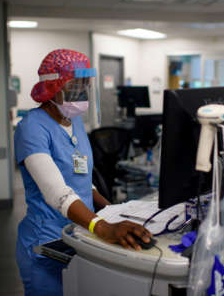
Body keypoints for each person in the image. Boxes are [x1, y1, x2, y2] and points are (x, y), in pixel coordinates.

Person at [14, 49, 152, 296]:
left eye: (84, 87)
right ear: (52, 88)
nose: (81, 94)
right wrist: (103, 227)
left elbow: (81, 181)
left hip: (80, 234)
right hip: (47, 241)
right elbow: (58, 192)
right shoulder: (31, 128)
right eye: (74, 87)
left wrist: (113, 211)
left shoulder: (74, 122)